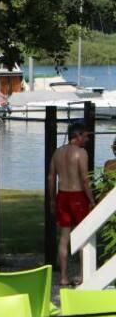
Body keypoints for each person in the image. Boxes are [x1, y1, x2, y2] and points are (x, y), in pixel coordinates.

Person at [47, 121, 95, 287]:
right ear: (78, 135)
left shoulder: (57, 152)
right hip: (78, 196)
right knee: (83, 235)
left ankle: (64, 277)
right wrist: (92, 200)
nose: (87, 139)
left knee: (64, 237)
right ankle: (82, 275)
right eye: (86, 136)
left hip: (62, 195)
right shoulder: (81, 153)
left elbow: (51, 178)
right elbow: (84, 179)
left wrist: (52, 199)